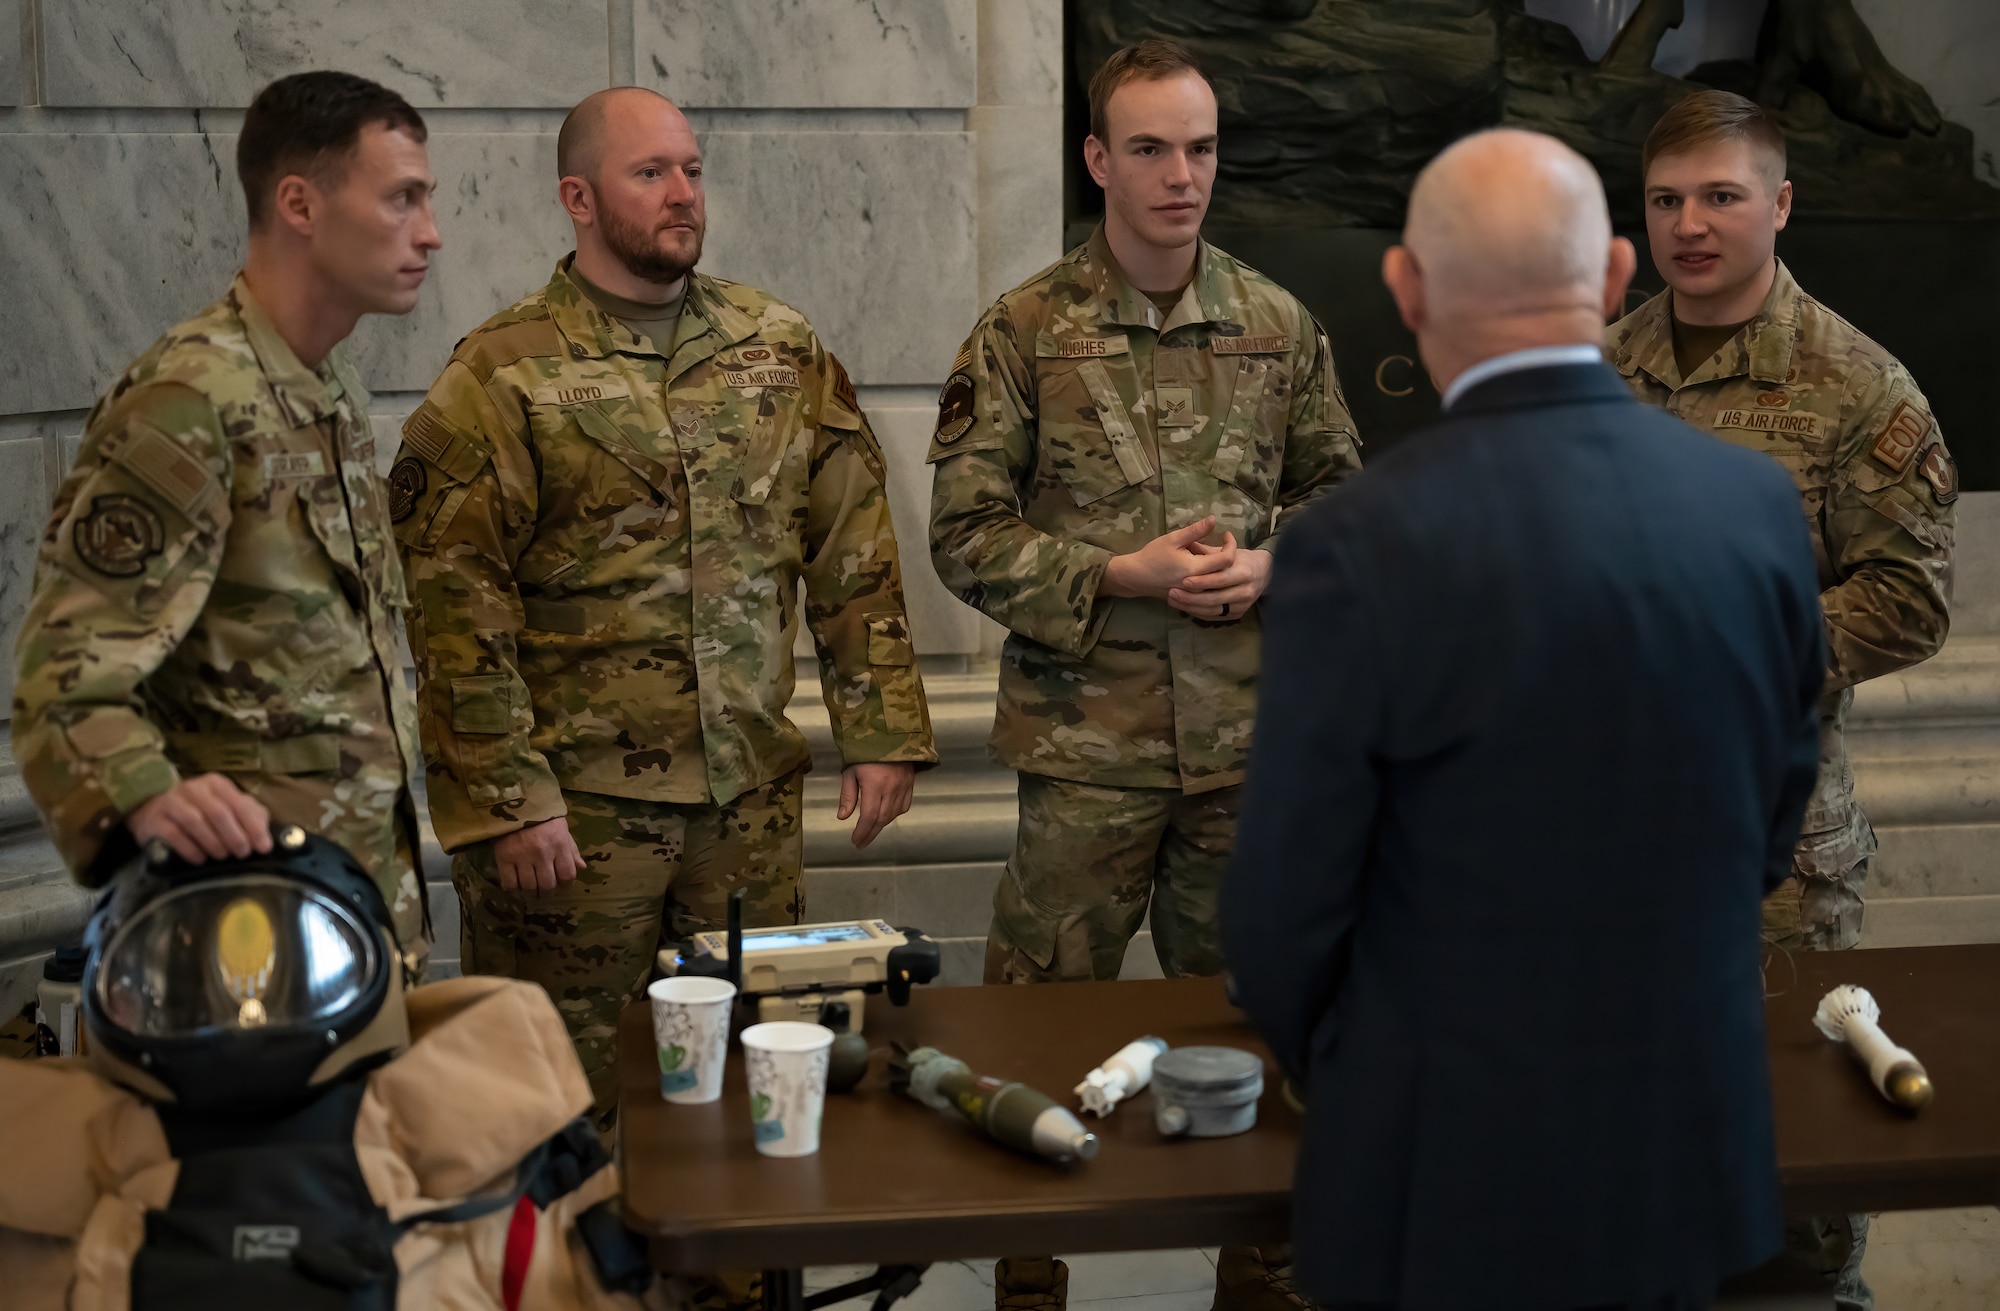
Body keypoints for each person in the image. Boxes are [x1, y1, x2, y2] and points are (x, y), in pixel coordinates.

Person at [1225, 128, 1825, 1311]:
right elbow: (1769, 819)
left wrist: (1359, 1069)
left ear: (1403, 288)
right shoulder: (1749, 506)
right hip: (1675, 1140)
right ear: (1611, 276)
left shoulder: (1354, 545)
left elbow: (1282, 912)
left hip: (1441, 1160)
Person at [393, 87, 937, 1124]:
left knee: (748, 1087)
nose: (682, 193)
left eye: (690, 170)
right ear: (578, 199)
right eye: (650, 174)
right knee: (561, 1100)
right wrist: (508, 795)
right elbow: (453, 607)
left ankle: (734, 1293)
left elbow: (849, 546)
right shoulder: (502, 373)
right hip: (574, 825)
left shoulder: (776, 344)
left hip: (746, 806)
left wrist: (880, 732)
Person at [927, 37, 1361, 1311]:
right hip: (1086, 759)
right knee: (1032, 1041)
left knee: (1262, 1040)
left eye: (1202, 147)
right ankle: (1026, 1285)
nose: (1182, 175)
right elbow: (962, 532)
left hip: (1249, 759)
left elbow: (1342, 503)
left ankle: (1263, 1288)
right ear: (1096, 161)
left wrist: (1279, 568)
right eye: (1152, 149)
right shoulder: (1021, 334)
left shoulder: (1278, 325)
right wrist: (1115, 574)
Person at [1606, 88, 1954, 1311]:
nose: (1688, 225)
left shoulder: (1857, 388)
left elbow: (1909, 600)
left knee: (1795, 1155)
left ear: (1779, 204)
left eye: (1719, 196)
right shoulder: (1597, 370)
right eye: (1664, 200)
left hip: (1775, 850)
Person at [11, 70, 441, 975]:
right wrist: (148, 799)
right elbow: (64, 682)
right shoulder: (190, 399)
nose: (429, 233)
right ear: (300, 203)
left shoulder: (329, 386)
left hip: (358, 909)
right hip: (247, 940)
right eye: (402, 198)